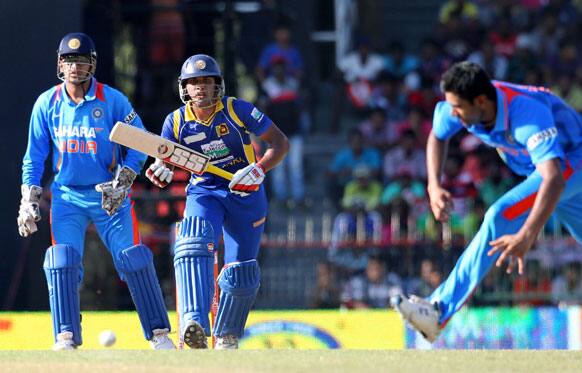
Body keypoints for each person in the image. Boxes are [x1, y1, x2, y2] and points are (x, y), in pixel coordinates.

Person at [392, 61, 582, 343]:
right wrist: (433, 185)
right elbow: (437, 135)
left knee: (499, 216)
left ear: (481, 101)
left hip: (570, 164)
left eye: (457, 107)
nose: (452, 113)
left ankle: (437, 312)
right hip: (544, 172)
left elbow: (553, 179)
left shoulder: (527, 113)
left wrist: (526, 234)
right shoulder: (460, 106)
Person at [18, 33, 175, 350]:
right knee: (62, 261)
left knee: (134, 260)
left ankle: (159, 336)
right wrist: (28, 200)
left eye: (81, 61)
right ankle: (66, 337)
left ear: (93, 64)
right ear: (60, 65)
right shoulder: (46, 104)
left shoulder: (113, 100)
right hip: (66, 197)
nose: (75, 68)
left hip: (109, 195)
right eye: (69, 61)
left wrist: (124, 181)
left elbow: (140, 143)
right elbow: (34, 158)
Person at [146, 54, 289, 349]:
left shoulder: (237, 110)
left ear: (217, 85)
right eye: (194, 82)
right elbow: (167, 160)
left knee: (241, 270)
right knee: (194, 242)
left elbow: (280, 143)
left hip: (246, 193)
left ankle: (226, 335)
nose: (200, 88)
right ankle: (194, 322)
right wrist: (161, 170)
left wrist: (259, 168)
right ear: (184, 87)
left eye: (206, 82)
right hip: (205, 191)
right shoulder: (175, 121)